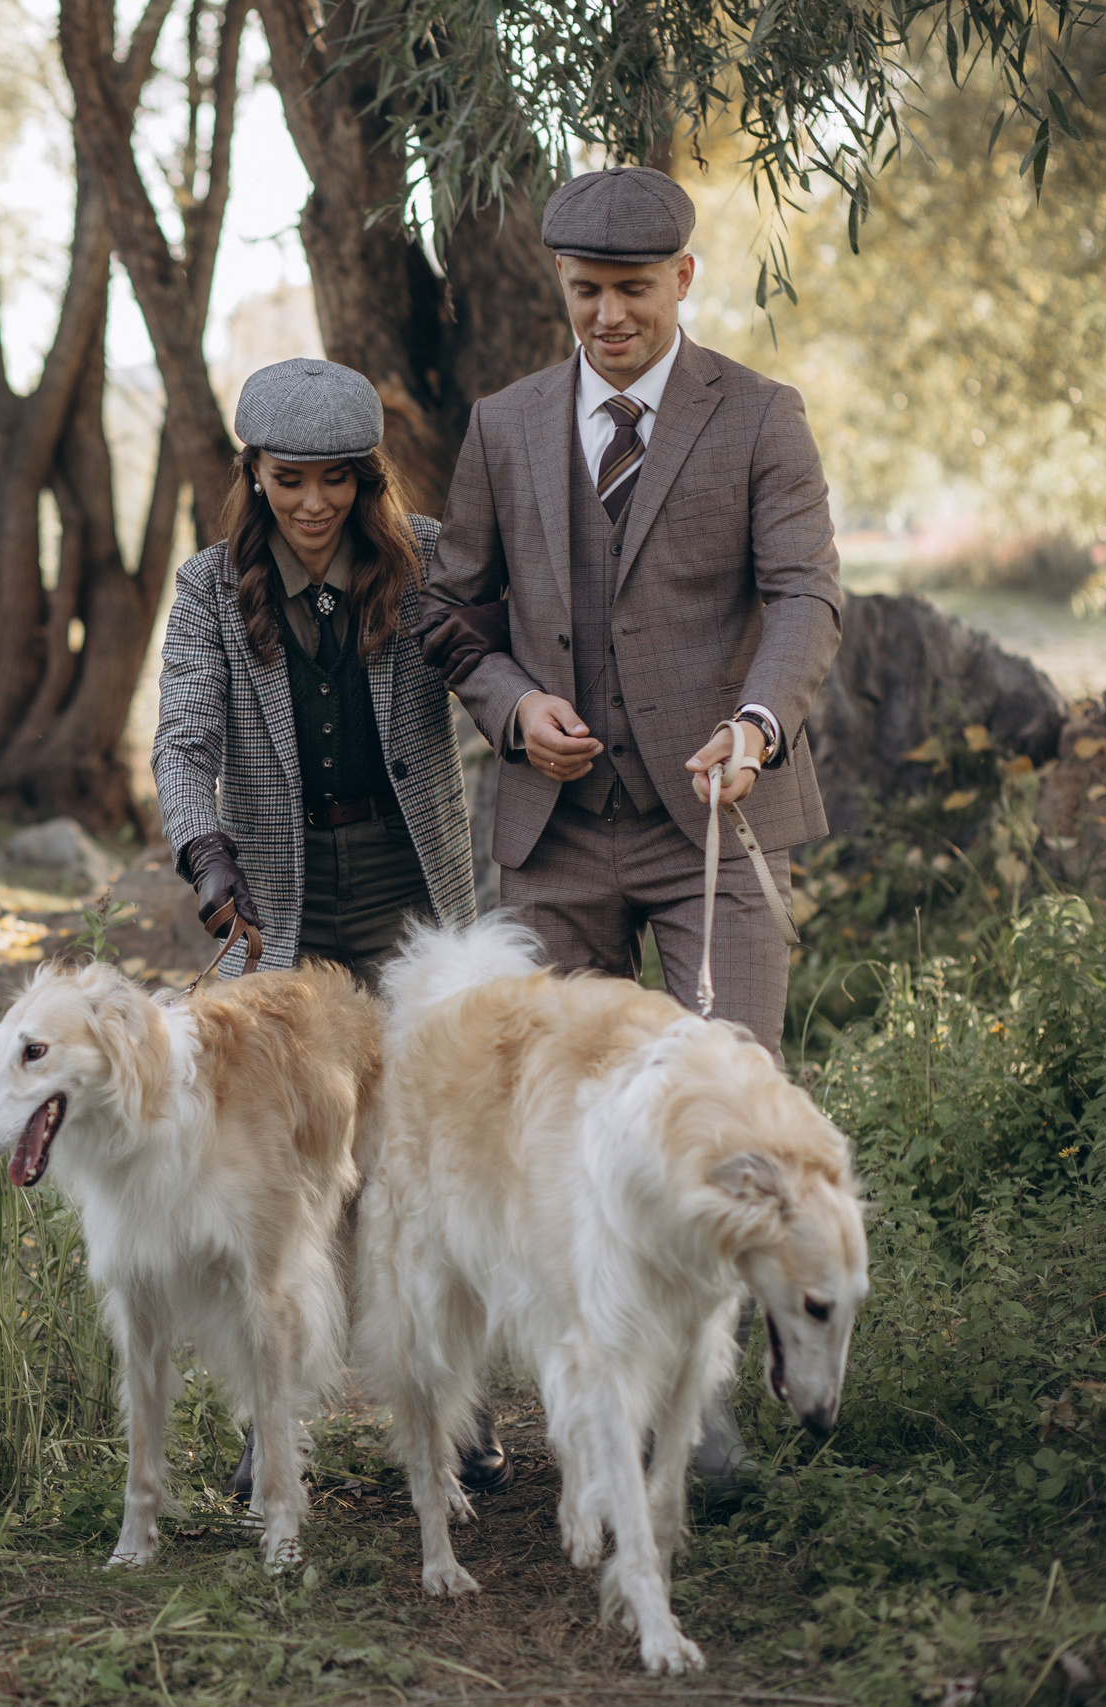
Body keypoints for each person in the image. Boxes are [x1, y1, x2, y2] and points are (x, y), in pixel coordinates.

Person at [422, 165, 845, 1481]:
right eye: (584, 291)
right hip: (552, 833)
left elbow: (805, 597)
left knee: (725, 1125)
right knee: (540, 1123)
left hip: (714, 825)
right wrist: (511, 708)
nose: (605, 315)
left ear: (685, 280)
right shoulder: (503, 424)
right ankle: (541, 1386)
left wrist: (760, 723)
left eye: (631, 290)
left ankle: (700, 1406)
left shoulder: (762, 418)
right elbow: (450, 615)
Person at [153, 357, 501, 1494]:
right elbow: (185, 740)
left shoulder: (431, 558)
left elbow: (499, 668)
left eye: (337, 482)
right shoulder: (207, 588)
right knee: (283, 1164)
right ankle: (273, 1418)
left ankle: (461, 1410)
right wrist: (207, 855)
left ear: (368, 481)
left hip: (414, 891)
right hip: (279, 896)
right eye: (287, 479)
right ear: (251, 476)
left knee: (432, 1149)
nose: (311, 505)